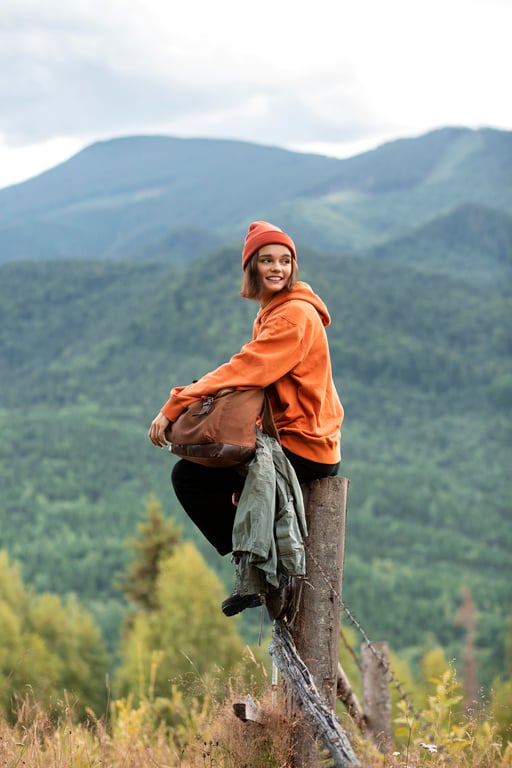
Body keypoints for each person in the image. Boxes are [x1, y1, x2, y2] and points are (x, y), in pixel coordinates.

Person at [148, 221, 343, 615]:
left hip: (303, 447)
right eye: (267, 260)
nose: (277, 268)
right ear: (251, 267)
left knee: (189, 478)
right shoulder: (275, 311)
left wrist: (177, 403)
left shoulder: (292, 317)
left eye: (285, 260)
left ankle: (260, 569)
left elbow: (245, 369)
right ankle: (262, 562)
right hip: (298, 439)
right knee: (211, 473)